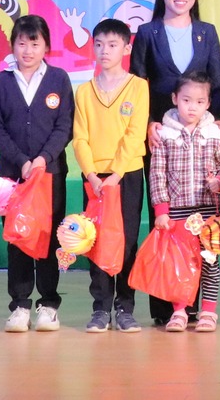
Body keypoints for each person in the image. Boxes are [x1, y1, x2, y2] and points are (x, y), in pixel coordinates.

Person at [130, 0, 220, 327]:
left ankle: (200, 307)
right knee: (167, 225)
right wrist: (148, 123)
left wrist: (219, 119)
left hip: (202, 139)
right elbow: (138, 85)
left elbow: (216, 83)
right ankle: (167, 308)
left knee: (203, 231)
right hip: (161, 135)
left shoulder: (207, 32)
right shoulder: (148, 32)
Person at [0, 13, 75, 334]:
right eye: (21, 44)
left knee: (48, 239)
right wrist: (22, 160)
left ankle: (49, 305)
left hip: (50, 176)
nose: (28, 50)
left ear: (46, 46)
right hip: (13, 178)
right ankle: (20, 305)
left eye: (34, 44)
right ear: (12, 46)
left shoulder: (59, 79)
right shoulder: (1, 82)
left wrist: (43, 159)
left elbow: (65, 126)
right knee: (18, 239)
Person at [75, 17, 150, 332]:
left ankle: (125, 307)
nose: (105, 50)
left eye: (112, 44)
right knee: (95, 240)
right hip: (95, 178)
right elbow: (79, 137)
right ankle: (100, 308)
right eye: (99, 44)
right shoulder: (84, 91)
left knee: (127, 240)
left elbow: (135, 135)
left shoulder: (138, 86)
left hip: (126, 175)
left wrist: (116, 175)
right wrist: (92, 175)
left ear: (126, 48)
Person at [146, 71, 220, 331]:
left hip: (208, 210)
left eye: (199, 101)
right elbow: (157, 173)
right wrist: (161, 210)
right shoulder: (164, 134)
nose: (192, 107)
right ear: (175, 99)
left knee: (210, 261)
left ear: (208, 103)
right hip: (177, 211)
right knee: (179, 263)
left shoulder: (215, 133)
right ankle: (180, 311)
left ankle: (208, 311)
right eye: (186, 100)